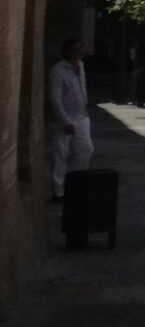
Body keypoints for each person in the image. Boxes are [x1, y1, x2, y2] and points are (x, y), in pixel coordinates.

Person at [46, 38, 91, 205]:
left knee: (85, 149)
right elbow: (55, 98)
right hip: (64, 119)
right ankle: (58, 192)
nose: (78, 53)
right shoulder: (58, 70)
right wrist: (65, 120)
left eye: (80, 49)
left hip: (81, 115)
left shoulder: (81, 67)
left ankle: (75, 183)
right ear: (66, 51)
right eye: (74, 49)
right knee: (61, 154)